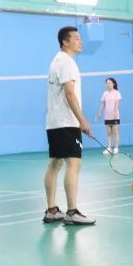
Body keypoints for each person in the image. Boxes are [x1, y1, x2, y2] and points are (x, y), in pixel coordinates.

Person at [42, 26, 96, 226]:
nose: (80, 41)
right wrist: (82, 121)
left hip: (54, 122)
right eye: (76, 38)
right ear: (65, 42)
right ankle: (72, 212)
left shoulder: (56, 60)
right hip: (66, 122)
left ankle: (52, 211)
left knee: (55, 164)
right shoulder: (67, 62)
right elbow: (70, 94)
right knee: (73, 163)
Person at [95, 77, 122, 155]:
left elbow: (117, 104)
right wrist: (99, 113)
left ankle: (116, 148)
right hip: (107, 116)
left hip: (115, 116)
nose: (108, 84)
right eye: (107, 83)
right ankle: (109, 148)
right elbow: (102, 104)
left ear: (113, 84)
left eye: (109, 83)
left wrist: (115, 113)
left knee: (116, 133)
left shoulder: (117, 93)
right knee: (109, 134)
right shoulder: (105, 93)